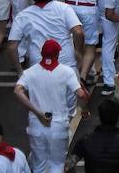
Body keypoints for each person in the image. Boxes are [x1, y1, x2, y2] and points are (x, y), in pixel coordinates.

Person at [13, 40, 84, 173]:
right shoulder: (67, 72)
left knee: (39, 166)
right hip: (58, 125)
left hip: (36, 125)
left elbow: (17, 91)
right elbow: (80, 94)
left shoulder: (29, 73)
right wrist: (84, 109)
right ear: (58, 54)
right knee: (57, 165)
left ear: (41, 54)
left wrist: (37, 112)